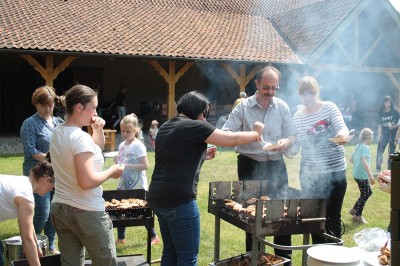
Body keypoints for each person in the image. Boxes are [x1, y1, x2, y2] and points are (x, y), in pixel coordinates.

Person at [148, 91, 264, 266]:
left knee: (170, 252)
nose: (205, 118)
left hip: (158, 198)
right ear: (199, 111)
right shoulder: (195, 126)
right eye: (205, 114)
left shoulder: (167, 126)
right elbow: (230, 139)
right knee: (187, 257)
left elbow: (175, 155)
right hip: (179, 201)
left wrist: (202, 156)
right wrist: (255, 133)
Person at [222, 66, 297, 264]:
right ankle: (254, 256)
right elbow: (226, 133)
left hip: (276, 165)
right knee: (252, 213)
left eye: (274, 88)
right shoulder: (243, 107)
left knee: (282, 212)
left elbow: (292, 134)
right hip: (249, 165)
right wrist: (251, 135)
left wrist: (286, 142)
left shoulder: (282, 106)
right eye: (266, 87)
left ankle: (283, 258)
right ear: (256, 84)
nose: (270, 92)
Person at [50, 84, 124, 266]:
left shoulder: (58, 131)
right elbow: (87, 181)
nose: (96, 113)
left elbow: (94, 149)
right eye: (94, 107)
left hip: (60, 208)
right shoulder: (79, 137)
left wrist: (97, 130)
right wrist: (111, 172)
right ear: (79, 107)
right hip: (86, 211)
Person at [291, 76, 350, 244]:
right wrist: (288, 149)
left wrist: (343, 134)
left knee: (332, 216)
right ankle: (318, 254)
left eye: (311, 93)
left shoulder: (329, 108)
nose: (308, 97)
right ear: (299, 95)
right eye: (304, 94)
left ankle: (334, 254)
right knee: (314, 216)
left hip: (335, 172)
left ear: (317, 92)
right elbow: (297, 146)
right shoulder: (297, 117)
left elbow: (342, 126)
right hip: (310, 174)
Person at [20, 86, 63, 255]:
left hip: (56, 175)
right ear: (35, 104)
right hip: (38, 175)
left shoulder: (58, 122)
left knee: (54, 212)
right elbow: (30, 150)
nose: (47, 109)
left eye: (50, 105)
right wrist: (51, 158)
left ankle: (51, 245)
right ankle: (31, 244)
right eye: (43, 105)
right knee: (42, 212)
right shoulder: (29, 124)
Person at [113, 114, 160, 246]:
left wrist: (127, 166)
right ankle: (121, 238)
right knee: (120, 211)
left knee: (141, 212)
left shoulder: (138, 145)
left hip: (137, 186)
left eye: (128, 131)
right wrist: (117, 160)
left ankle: (153, 236)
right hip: (123, 184)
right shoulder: (122, 145)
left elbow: (145, 165)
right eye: (122, 131)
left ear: (135, 130)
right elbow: (122, 161)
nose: (125, 133)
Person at [0, 160, 55, 266]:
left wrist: (37, 245)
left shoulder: (24, 183)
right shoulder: (26, 197)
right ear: (47, 180)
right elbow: (27, 239)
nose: (53, 188)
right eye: (54, 184)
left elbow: (28, 228)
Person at [349, 128, 375, 224]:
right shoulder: (365, 147)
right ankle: (357, 215)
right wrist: (370, 175)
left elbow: (351, 159)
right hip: (362, 175)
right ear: (369, 138)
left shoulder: (358, 146)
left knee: (367, 192)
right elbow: (364, 161)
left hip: (356, 174)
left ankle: (354, 209)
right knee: (365, 194)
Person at [376, 95, 399, 172]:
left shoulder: (395, 112)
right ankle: (378, 169)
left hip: (393, 135)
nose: (389, 104)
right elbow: (379, 125)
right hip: (384, 135)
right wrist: (379, 134)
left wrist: (393, 127)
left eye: (390, 102)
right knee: (380, 152)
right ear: (383, 103)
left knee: (391, 153)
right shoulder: (381, 113)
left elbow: (399, 124)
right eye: (387, 103)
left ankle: (389, 170)